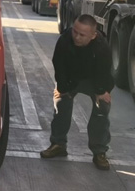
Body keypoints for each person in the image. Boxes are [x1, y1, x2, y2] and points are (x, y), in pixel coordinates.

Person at [40, 14, 114, 170]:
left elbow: (104, 73)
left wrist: (101, 92)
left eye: (82, 35)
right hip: (71, 79)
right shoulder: (65, 40)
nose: (77, 37)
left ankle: (99, 151)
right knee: (60, 102)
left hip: (94, 81)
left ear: (93, 36)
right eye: (75, 31)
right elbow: (58, 64)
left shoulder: (102, 47)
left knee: (102, 106)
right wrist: (62, 88)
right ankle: (58, 144)